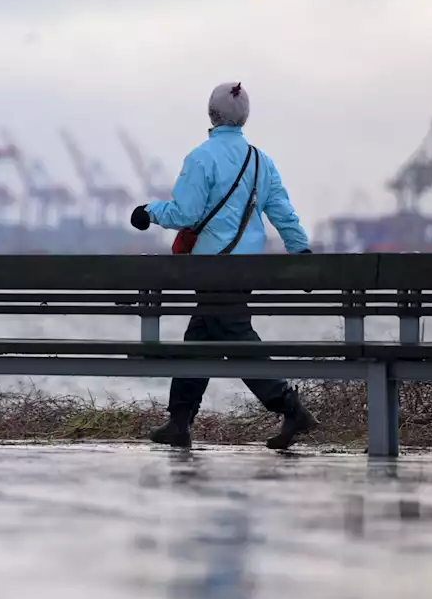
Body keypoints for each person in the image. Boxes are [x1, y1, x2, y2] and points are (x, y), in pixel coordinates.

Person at [129, 81, 317, 450]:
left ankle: (291, 408)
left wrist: (147, 212)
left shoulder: (201, 158)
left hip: (212, 269)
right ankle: (179, 422)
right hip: (245, 269)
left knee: (236, 339)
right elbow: (282, 213)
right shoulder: (262, 161)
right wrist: (302, 253)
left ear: (211, 114)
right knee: (199, 338)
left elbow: (185, 212)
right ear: (244, 116)